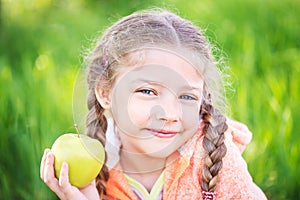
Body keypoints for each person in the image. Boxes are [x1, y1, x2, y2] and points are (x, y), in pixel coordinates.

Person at [40, 8, 267, 200]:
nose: (169, 114)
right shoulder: (98, 169)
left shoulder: (217, 159)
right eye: (147, 91)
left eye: (187, 96)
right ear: (105, 93)